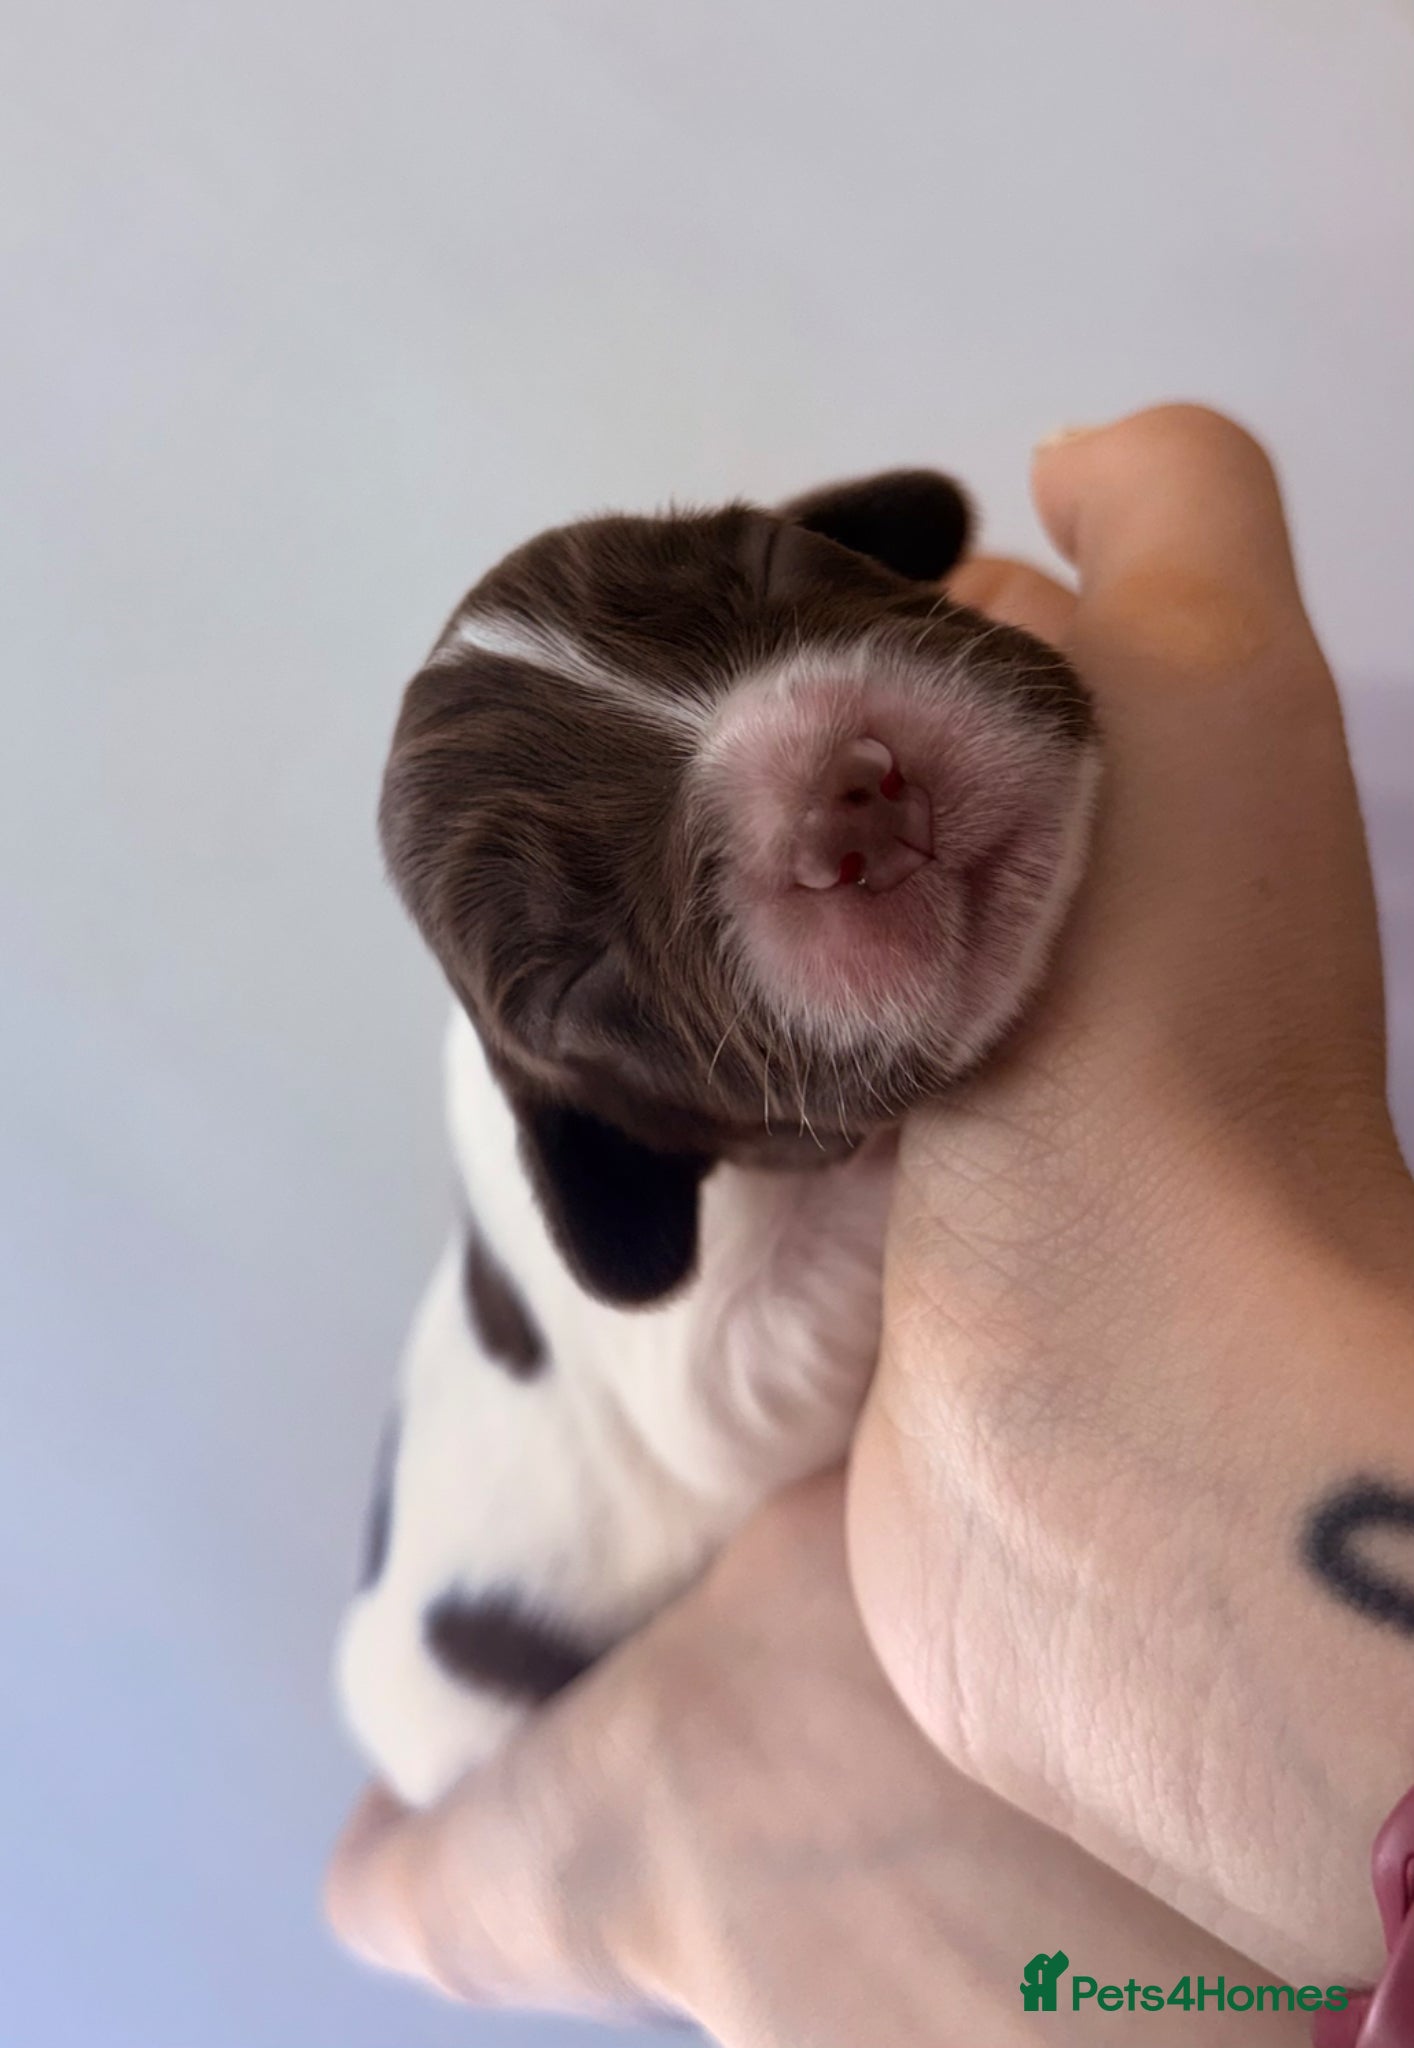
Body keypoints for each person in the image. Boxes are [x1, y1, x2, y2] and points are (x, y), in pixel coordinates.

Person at [325, 406, 1414, 2042]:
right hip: (532, 1690)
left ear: (858, 542)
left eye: (769, 583)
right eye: (608, 967)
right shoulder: (627, 1232)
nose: (829, 791)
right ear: (608, 1147)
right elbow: (725, 1393)